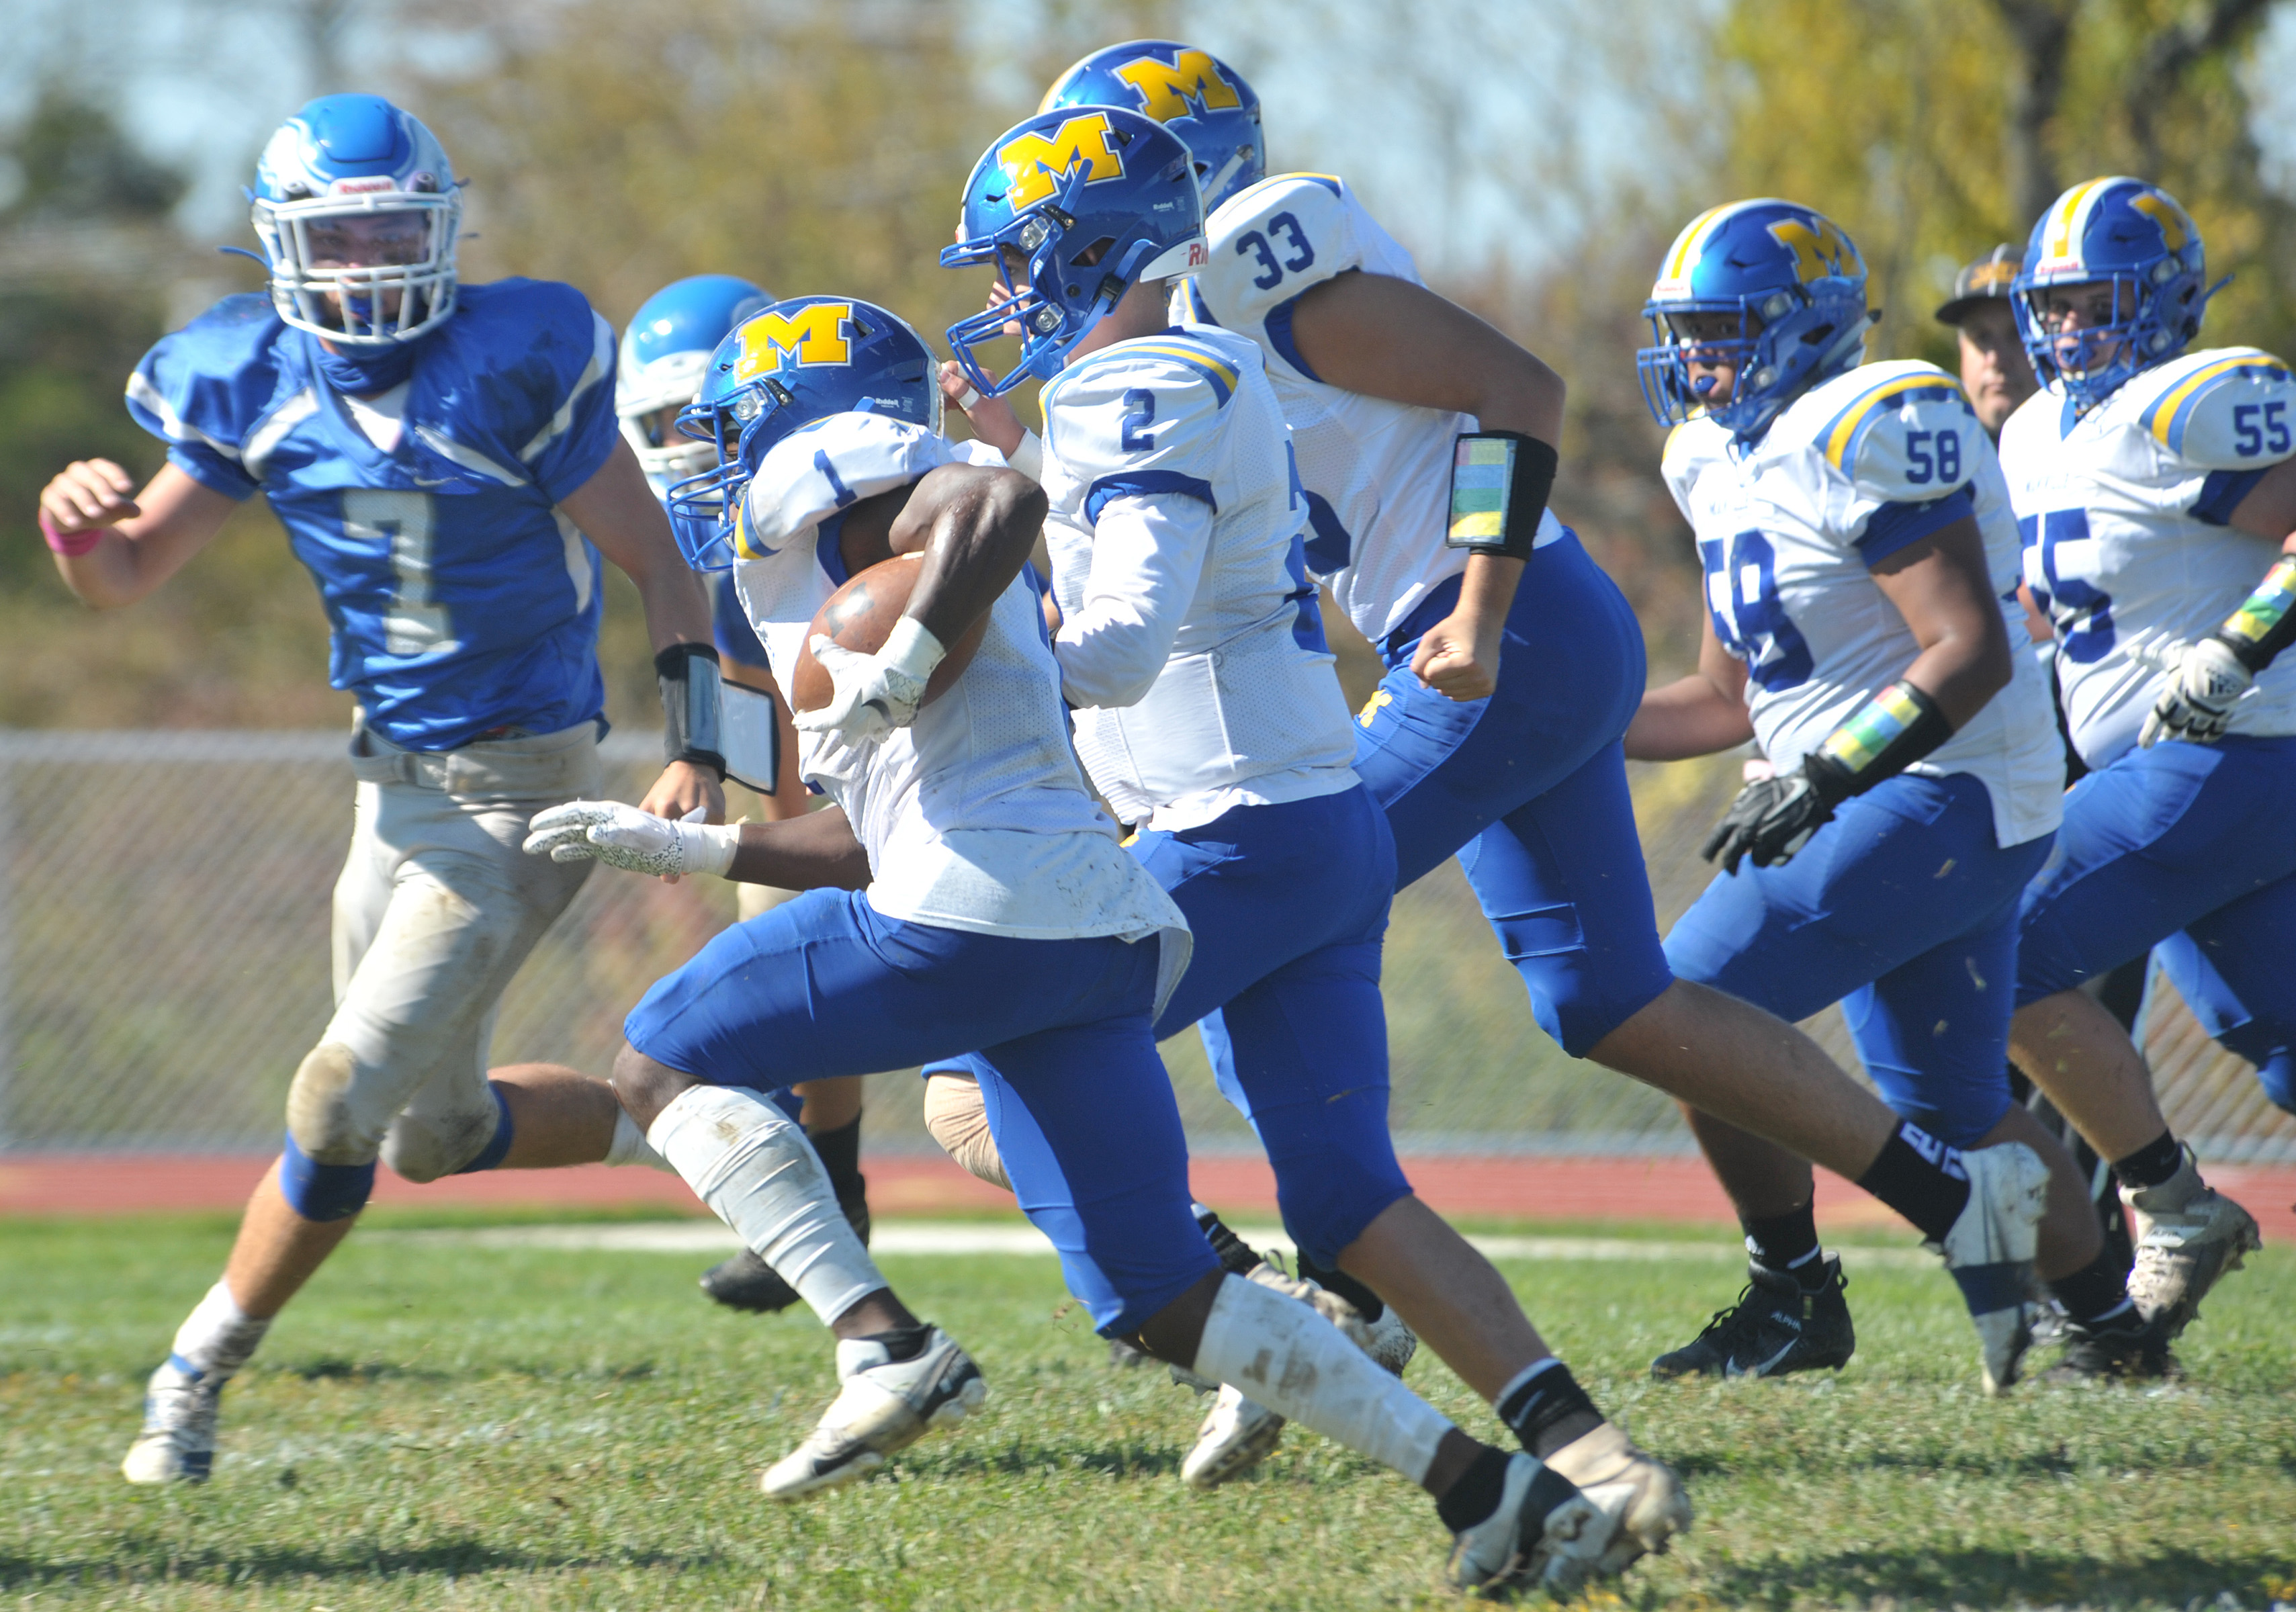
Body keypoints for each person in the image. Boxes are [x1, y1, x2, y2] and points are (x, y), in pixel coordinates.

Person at [940, 52, 2058, 1398]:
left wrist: (1474, 613)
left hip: (1494, 638)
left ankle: (1318, 1291)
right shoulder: (1159, 356)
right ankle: (1950, 1202)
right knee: (1606, 998)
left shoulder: (1260, 270)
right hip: (1502, 643)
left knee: (1253, 908)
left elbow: (1518, 392)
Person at [526, 293, 1634, 1596]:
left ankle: (876, 1339)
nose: (705, 458)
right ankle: (1490, 1489)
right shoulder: (874, 550)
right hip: (1087, 939)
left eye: (724, 426)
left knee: (659, 1067)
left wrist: (905, 657)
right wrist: (699, 852)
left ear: (799, 415)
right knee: (1164, 1300)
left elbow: (989, 510)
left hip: (967, 925)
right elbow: (877, 830)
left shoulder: (843, 483)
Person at [925, 100, 1691, 1566]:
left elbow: (1114, 651)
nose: (1005, 297)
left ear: (1094, 254)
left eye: (1024, 264)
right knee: (1349, 1193)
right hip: (1305, 825)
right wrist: (1012, 454)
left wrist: (956, 626)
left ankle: (1244, 1332)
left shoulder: (1145, 387)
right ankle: (1593, 1458)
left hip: (1232, 841)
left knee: (972, 1086)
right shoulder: (1191, 372)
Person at [32, 95, 726, 1485]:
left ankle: (195, 1372)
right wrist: (72, 523)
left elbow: (664, 565)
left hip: (525, 782)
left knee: (338, 1094)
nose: (366, 262)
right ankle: (702, 1124)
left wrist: (701, 745)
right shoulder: (251, 378)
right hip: (388, 787)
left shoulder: (512, 359)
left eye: (393, 231)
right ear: (285, 247)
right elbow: (120, 580)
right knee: (432, 1134)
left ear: (442, 230)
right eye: (339, 235)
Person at [1623, 197, 2199, 1387]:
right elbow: (1726, 698)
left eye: (1722, 329)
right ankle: (2110, 1334)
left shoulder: (1866, 420)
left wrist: (1828, 774)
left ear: (1803, 329)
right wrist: (1571, 728)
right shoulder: (1707, 457)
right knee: (1947, 1102)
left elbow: (1967, 647)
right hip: (1878, 794)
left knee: (1676, 1006)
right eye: (1682, 333)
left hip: (1944, 786)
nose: (1693, 360)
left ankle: (1790, 1291)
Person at [1998, 176, 2273, 1350]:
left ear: (2165, 302)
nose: (2070, 327)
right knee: (2282, 1039)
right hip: (2180, 780)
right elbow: (2049, 610)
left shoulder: (2194, 398)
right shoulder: (2027, 430)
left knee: (1988, 939)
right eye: (2053, 305)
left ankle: (2168, 1206)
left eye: (2098, 301)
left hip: (2232, 749)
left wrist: (2231, 648)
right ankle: (2172, 1207)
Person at [614, 273, 873, 1314]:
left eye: (700, 417)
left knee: (991, 1097)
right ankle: (833, 1189)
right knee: (776, 932)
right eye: (661, 422)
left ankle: (1188, 1277)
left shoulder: (861, 506)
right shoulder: (731, 538)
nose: (682, 444)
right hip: (854, 811)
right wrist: (712, 767)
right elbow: (752, 691)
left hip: (971, 815)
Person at [1937, 244, 2039, 439]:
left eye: (2017, 334)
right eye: (1982, 337)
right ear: (1962, 348)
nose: (1996, 359)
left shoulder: (2090, 455)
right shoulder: (1932, 456)